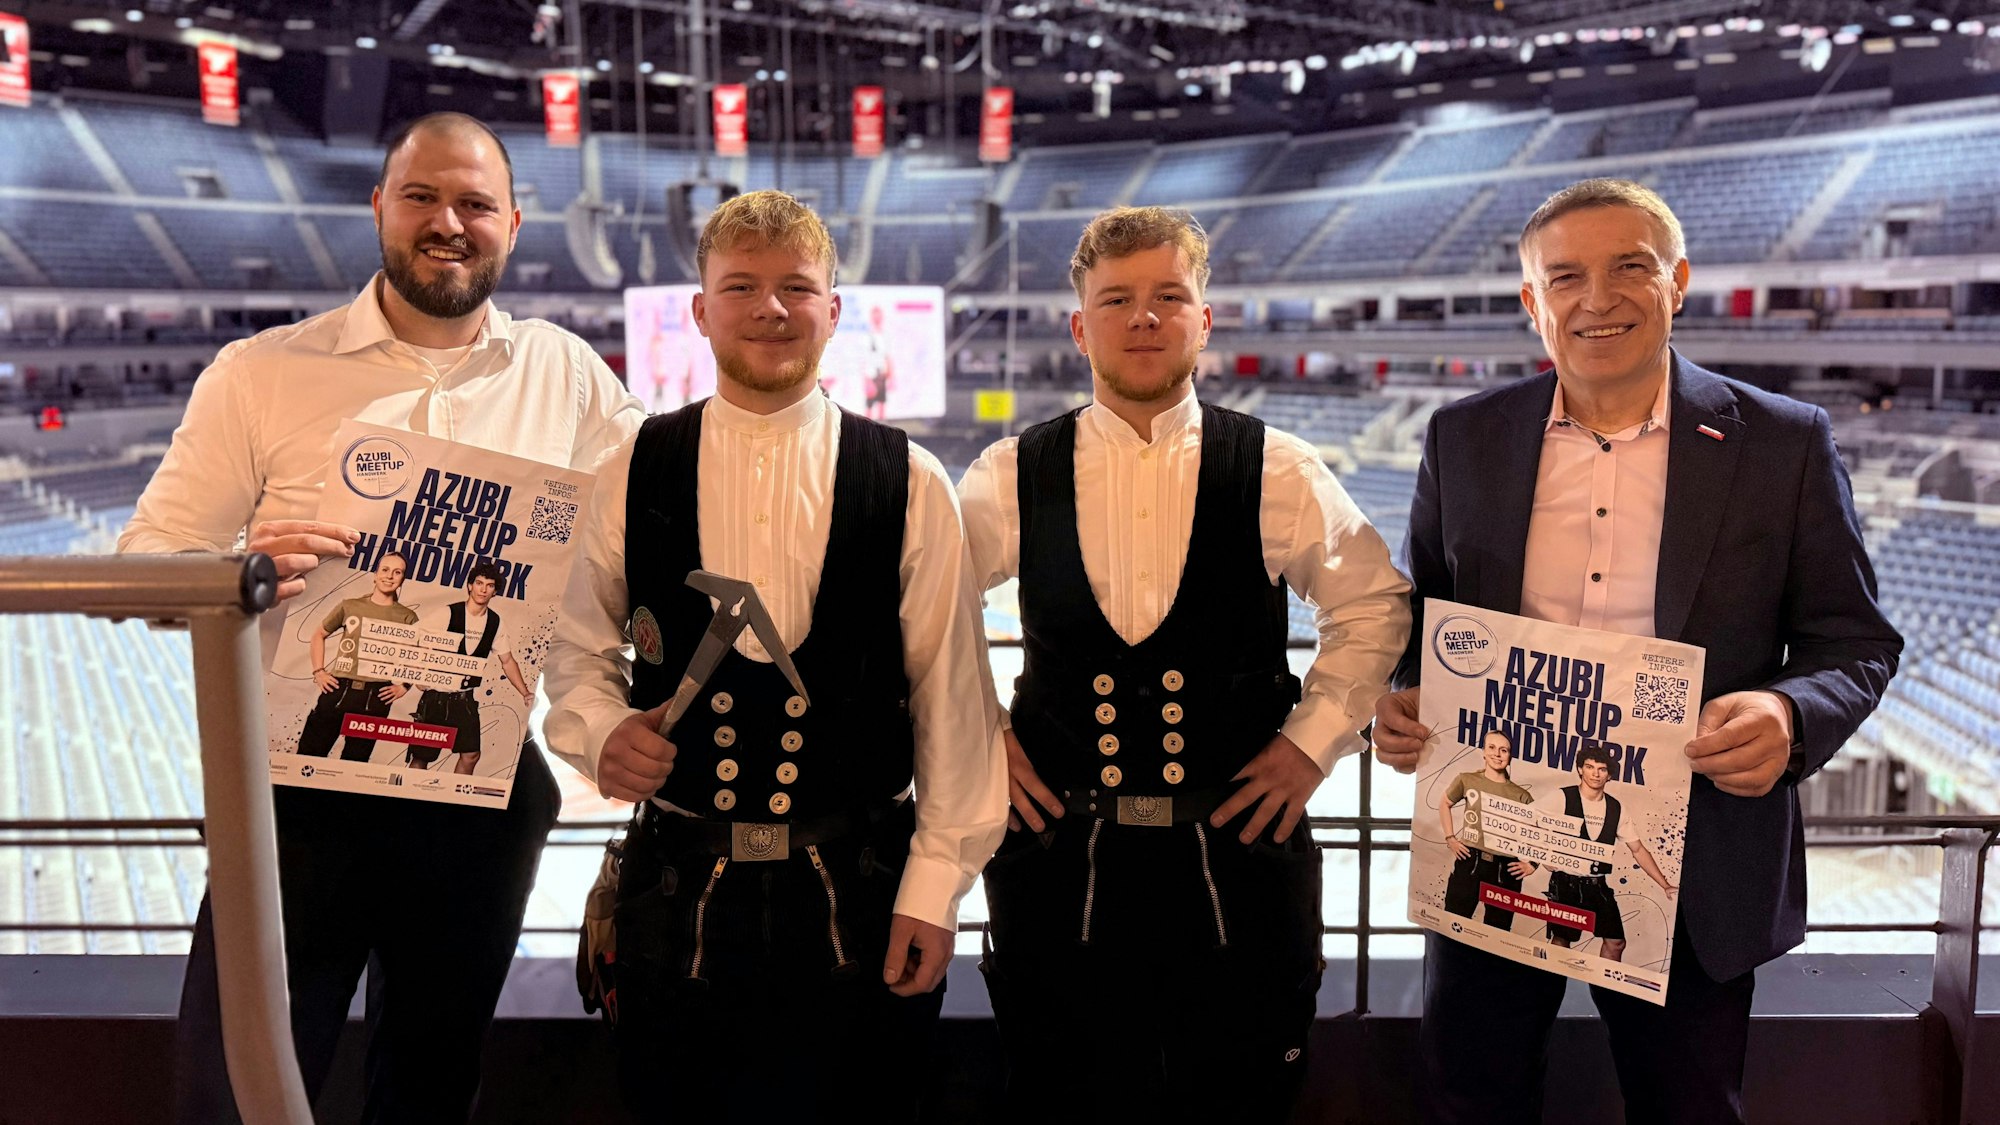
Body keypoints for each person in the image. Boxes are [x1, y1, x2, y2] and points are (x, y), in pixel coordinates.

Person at [119, 111, 646, 1123]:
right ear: (378, 209)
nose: (447, 222)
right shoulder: (261, 373)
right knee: (232, 1094)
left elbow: (655, 516)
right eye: (421, 197)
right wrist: (240, 572)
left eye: (474, 203)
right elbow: (145, 563)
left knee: (431, 1091)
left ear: (513, 223)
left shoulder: (567, 374)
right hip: (299, 796)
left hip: (475, 793)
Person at [1372, 178, 1902, 1125]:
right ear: (1533, 303)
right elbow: (1425, 623)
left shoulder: (1783, 442)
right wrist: (1406, 693)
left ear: (1679, 281)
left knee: (1688, 1109)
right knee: (1471, 1102)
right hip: (1499, 842)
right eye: (1564, 277)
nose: (1597, 298)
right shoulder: (1462, 436)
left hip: (1691, 861)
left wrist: (1788, 711)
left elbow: (1854, 642)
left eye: (1630, 268)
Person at [542, 189, 1007, 1124]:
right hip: (675, 900)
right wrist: (598, 733)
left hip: (865, 895)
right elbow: (574, 653)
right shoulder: (628, 468)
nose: (772, 308)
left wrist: (936, 888)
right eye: (742, 286)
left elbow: (951, 701)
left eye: (797, 287)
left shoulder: (910, 479)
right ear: (701, 309)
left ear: (834, 310)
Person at [957, 206, 1411, 1122]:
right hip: (1060, 865)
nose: (1144, 317)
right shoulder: (1008, 474)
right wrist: (982, 734)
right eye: (1117, 299)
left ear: (1206, 318)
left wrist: (1311, 744)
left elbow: (1372, 606)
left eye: (1170, 296)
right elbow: (922, 615)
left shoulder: (1278, 469)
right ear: (1081, 325)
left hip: (1238, 864)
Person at [1529, 746, 1677, 962]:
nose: (1595, 773)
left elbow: (1637, 849)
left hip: (1597, 886)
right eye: (1589, 767)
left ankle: (1603, 990)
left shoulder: (1616, 808)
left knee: (1616, 942)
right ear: (1580, 769)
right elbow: (1526, 820)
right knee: (1562, 941)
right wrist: (1542, 855)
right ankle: (1552, 986)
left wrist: (1664, 884)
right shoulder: (1562, 797)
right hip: (1564, 884)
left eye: (1602, 769)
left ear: (1609, 775)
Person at [409, 561, 531, 774]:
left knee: (471, 754)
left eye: (489, 585)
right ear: (469, 586)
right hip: (435, 700)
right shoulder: (448, 613)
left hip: (464, 701)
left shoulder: (495, 622)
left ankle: (451, 801)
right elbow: (412, 638)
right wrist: (419, 673)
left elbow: (508, 661)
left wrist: (525, 692)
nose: (483, 589)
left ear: (495, 591)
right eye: (479, 583)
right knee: (421, 757)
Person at [297, 550, 418, 762]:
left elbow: (420, 655)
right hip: (338, 689)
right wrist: (319, 672)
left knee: (355, 765)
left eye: (397, 572)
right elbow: (318, 635)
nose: (389, 576)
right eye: (385, 570)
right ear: (375, 574)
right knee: (309, 757)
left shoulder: (408, 617)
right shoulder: (350, 606)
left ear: (402, 580)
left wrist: (405, 686)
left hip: (375, 696)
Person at [1436, 728, 1533, 930]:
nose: (1497, 754)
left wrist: (1532, 864)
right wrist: (1450, 838)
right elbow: (1444, 803)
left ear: (1510, 756)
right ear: (1483, 752)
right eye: (1492, 747)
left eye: (1504, 750)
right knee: (1454, 925)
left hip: (1505, 869)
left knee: (1498, 935)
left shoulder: (1521, 795)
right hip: (1470, 860)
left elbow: (1542, 832)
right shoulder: (1466, 780)